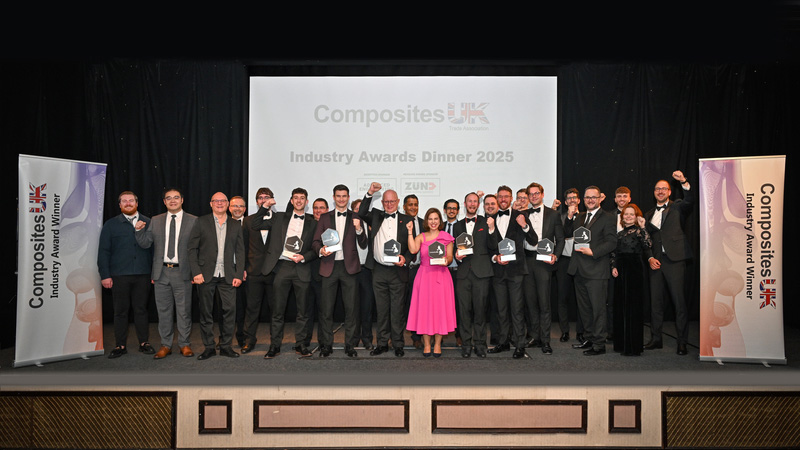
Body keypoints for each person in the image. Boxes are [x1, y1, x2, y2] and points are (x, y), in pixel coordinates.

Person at [249, 188, 318, 358]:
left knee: (303, 311)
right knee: (277, 311)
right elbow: (255, 224)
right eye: (296, 198)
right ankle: (275, 346)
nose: (299, 201)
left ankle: (301, 344)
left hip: (302, 268)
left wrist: (304, 257)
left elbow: (317, 247)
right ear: (291, 201)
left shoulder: (313, 222)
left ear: (307, 202)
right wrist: (265, 206)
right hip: (282, 267)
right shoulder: (279, 217)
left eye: (302, 198)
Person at [134, 188, 197, 359]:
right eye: (169, 198)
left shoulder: (193, 220)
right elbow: (146, 243)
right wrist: (138, 231)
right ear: (164, 202)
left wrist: (195, 272)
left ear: (182, 200)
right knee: (163, 312)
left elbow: (198, 249)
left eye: (176, 197)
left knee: (184, 312)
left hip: (183, 272)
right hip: (161, 273)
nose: (172, 200)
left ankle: (184, 344)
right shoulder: (156, 220)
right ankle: (166, 345)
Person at [358, 183, 414, 357]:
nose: (389, 204)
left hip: (398, 271)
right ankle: (382, 343)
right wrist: (370, 193)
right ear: (382, 202)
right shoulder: (375, 216)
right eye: (386, 202)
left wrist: (406, 259)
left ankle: (398, 344)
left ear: (398, 202)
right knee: (381, 310)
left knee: (397, 310)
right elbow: (361, 212)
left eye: (392, 201)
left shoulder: (408, 220)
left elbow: (412, 247)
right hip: (379, 270)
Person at [188, 192, 245, 360]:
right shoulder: (201, 222)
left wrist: (239, 274)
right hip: (205, 275)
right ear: (211, 203)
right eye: (216, 201)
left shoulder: (235, 224)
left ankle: (226, 346)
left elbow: (240, 251)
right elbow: (192, 249)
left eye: (223, 201)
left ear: (227, 204)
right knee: (206, 313)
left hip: (228, 275)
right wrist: (196, 272)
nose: (219, 203)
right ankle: (209, 347)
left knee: (229, 311)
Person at [312, 185, 368, 357]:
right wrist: (321, 250)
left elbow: (364, 243)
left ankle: (350, 346)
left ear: (348, 198)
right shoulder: (325, 217)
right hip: (329, 267)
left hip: (349, 267)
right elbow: (315, 241)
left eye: (344, 196)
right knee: (326, 310)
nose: (341, 199)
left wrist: (359, 229)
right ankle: (326, 345)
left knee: (351, 310)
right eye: (338, 196)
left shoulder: (356, 217)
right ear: (334, 197)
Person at [644, 170, 694, 356]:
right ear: (654, 192)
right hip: (655, 262)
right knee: (655, 303)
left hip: (675, 261)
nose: (660, 191)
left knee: (679, 303)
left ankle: (682, 342)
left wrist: (684, 182)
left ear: (669, 192)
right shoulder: (648, 214)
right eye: (657, 189)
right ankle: (656, 339)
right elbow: (646, 240)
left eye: (663, 189)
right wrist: (650, 257)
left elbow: (690, 200)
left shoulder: (678, 206)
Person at [98, 191, 154, 358]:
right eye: (124, 201)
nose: (128, 203)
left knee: (141, 310)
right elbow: (104, 251)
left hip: (143, 274)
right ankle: (120, 345)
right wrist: (105, 275)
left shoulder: (149, 222)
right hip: (119, 275)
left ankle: (144, 343)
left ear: (137, 203)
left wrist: (155, 274)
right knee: (120, 311)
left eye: (131, 201)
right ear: (120, 205)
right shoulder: (111, 224)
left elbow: (155, 250)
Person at [564, 186, 617, 356]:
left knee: (598, 309)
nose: (590, 200)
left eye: (594, 197)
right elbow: (567, 233)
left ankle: (599, 344)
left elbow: (612, 242)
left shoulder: (608, 217)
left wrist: (593, 252)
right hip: (579, 269)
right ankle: (589, 338)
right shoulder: (579, 216)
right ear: (583, 199)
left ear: (600, 198)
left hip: (596, 271)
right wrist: (569, 217)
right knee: (585, 309)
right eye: (587, 197)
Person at [487, 185, 537, 359]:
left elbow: (534, 240)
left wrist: (525, 226)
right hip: (498, 271)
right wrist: (495, 258)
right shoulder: (490, 218)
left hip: (516, 271)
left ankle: (520, 345)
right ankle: (503, 342)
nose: (503, 199)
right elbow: (488, 246)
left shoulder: (520, 216)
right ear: (497, 198)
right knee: (501, 310)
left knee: (517, 310)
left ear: (511, 198)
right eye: (500, 196)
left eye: (506, 196)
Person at [405, 208, 456, 357]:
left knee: (440, 311)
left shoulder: (446, 237)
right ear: (426, 221)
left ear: (440, 221)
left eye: (436, 219)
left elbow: (450, 257)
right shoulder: (421, 236)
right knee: (425, 311)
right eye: (430, 219)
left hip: (442, 276)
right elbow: (413, 250)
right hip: (424, 277)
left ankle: (438, 344)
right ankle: (427, 344)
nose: (433, 222)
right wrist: (410, 232)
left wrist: (446, 261)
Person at [521, 182, 564, 355]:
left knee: (544, 302)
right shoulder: (522, 215)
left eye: (536, 193)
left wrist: (556, 255)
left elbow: (560, 239)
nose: (534, 196)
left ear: (542, 194)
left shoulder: (553, 214)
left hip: (544, 261)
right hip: (527, 260)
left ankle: (546, 340)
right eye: (530, 194)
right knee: (530, 302)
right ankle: (534, 336)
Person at [453, 192, 496, 358]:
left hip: (482, 273)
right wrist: (456, 255)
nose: (472, 204)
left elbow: (493, 245)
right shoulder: (457, 225)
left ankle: (480, 345)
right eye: (469, 201)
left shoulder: (487, 222)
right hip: (463, 273)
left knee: (480, 311)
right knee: (464, 312)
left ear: (478, 205)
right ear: (464, 204)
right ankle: (466, 345)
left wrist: (491, 229)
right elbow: (455, 247)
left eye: (475, 202)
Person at [610, 203, 653, 356]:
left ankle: (633, 346)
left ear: (636, 217)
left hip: (634, 270)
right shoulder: (619, 234)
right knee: (620, 306)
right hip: (621, 271)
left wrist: (643, 227)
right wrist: (613, 266)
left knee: (633, 307)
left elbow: (648, 245)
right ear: (622, 217)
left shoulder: (639, 231)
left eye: (631, 214)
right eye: (626, 214)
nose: (628, 216)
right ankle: (621, 344)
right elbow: (614, 253)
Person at [240, 188, 275, 354]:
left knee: (275, 310)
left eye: (267, 197)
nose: (263, 200)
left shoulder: (279, 219)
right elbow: (243, 247)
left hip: (274, 272)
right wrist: (243, 268)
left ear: (272, 200)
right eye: (260, 198)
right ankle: (249, 340)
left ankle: (275, 342)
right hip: (253, 271)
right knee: (252, 309)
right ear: (256, 201)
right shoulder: (248, 221)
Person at [552, 188, 584, 343]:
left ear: (579, 200)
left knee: (581, 297)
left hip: (581, 260)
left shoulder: (586, 217)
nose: (572, 200)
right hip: (564, 260)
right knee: (562, 297)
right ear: (565, 202)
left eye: (574, 197)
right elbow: (564, 234)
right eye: (569, 198)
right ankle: (564, 331)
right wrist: (569, 217)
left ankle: (581, 331)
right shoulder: (560, 217)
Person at [350, 198, 375, 349]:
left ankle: (367, 338)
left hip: (367, 270)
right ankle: (353, 338)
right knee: (352, 308)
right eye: (357, 209)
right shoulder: (348, 226)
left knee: (367, 307)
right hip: (351, 270)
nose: (360, 212)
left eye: (363, 209)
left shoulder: (372, 225)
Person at [403, 194, 425, 350]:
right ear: (404, 206)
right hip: (402, 269)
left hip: (420, 270)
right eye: (410, 204)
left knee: (419, 305)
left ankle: (417, 337)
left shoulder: (425, 224)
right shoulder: (399, 222)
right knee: (400, 304)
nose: (413, 207)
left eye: (415, 204)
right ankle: (395, 337)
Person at [228, 196, 248, 348]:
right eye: (235, 206)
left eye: (241, 206)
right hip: (226, 270)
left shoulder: (249, 225)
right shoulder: (223, 224)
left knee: (242, 308)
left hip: (245, 271)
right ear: (229, 208)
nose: (237, 209)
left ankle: (242, 337)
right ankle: (224, 338)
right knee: (225, 307)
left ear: (245, 209)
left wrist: (244, 268)